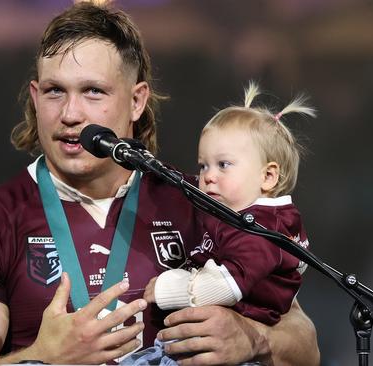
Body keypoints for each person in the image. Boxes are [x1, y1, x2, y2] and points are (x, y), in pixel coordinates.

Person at [0, 3, 319, 365]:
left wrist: (254, 338)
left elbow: (304, 343)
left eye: (93, 91)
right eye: (54, 91)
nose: (70, 114)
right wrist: (45, 358)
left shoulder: (200, 202)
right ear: (35, 96)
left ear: (136, 100)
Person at [132, 83, 315, 364]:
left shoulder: (264, 230)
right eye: (203, 165)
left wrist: (167, 287)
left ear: (268, 177)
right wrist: (148, 165)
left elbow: (226, 285)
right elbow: (183, 184)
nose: (208, 177)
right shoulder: (239, 212)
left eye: (223, 165)